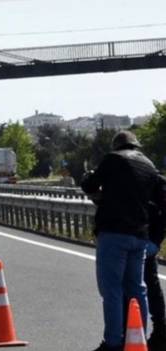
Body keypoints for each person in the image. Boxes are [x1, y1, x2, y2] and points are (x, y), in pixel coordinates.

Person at [81, 131, 161, 351]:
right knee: (137, 289)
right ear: (136, 145)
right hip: (140, 237)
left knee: (112, 290)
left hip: (114, 233)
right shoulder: (149, 165)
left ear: (117, 145)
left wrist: (89, 178)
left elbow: (89, 185)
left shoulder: (113, 159)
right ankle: (137, 338)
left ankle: (113, 342)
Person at [146, 174, 166, 349]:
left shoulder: (156, 181)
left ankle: (160, 330)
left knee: (150, 285)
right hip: (144, 238)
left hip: (145, 238)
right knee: (150, 285)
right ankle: (160, 330)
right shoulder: (153, 177)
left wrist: (155, 241)